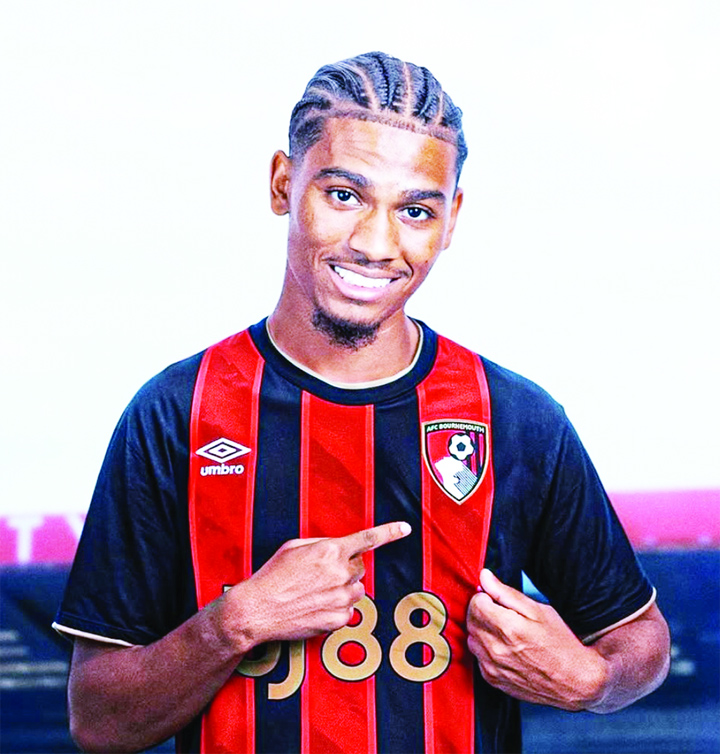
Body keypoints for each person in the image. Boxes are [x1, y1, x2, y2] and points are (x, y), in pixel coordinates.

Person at [54, 51, 670, 754]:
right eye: (344, 195)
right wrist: (234, 623)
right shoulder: (177, 413)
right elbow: (98, 721)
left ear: (452, 219)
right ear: (283, 184)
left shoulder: (516, 418)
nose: (377, 244)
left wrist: (593, 681)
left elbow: (639, 640)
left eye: (415, 211)